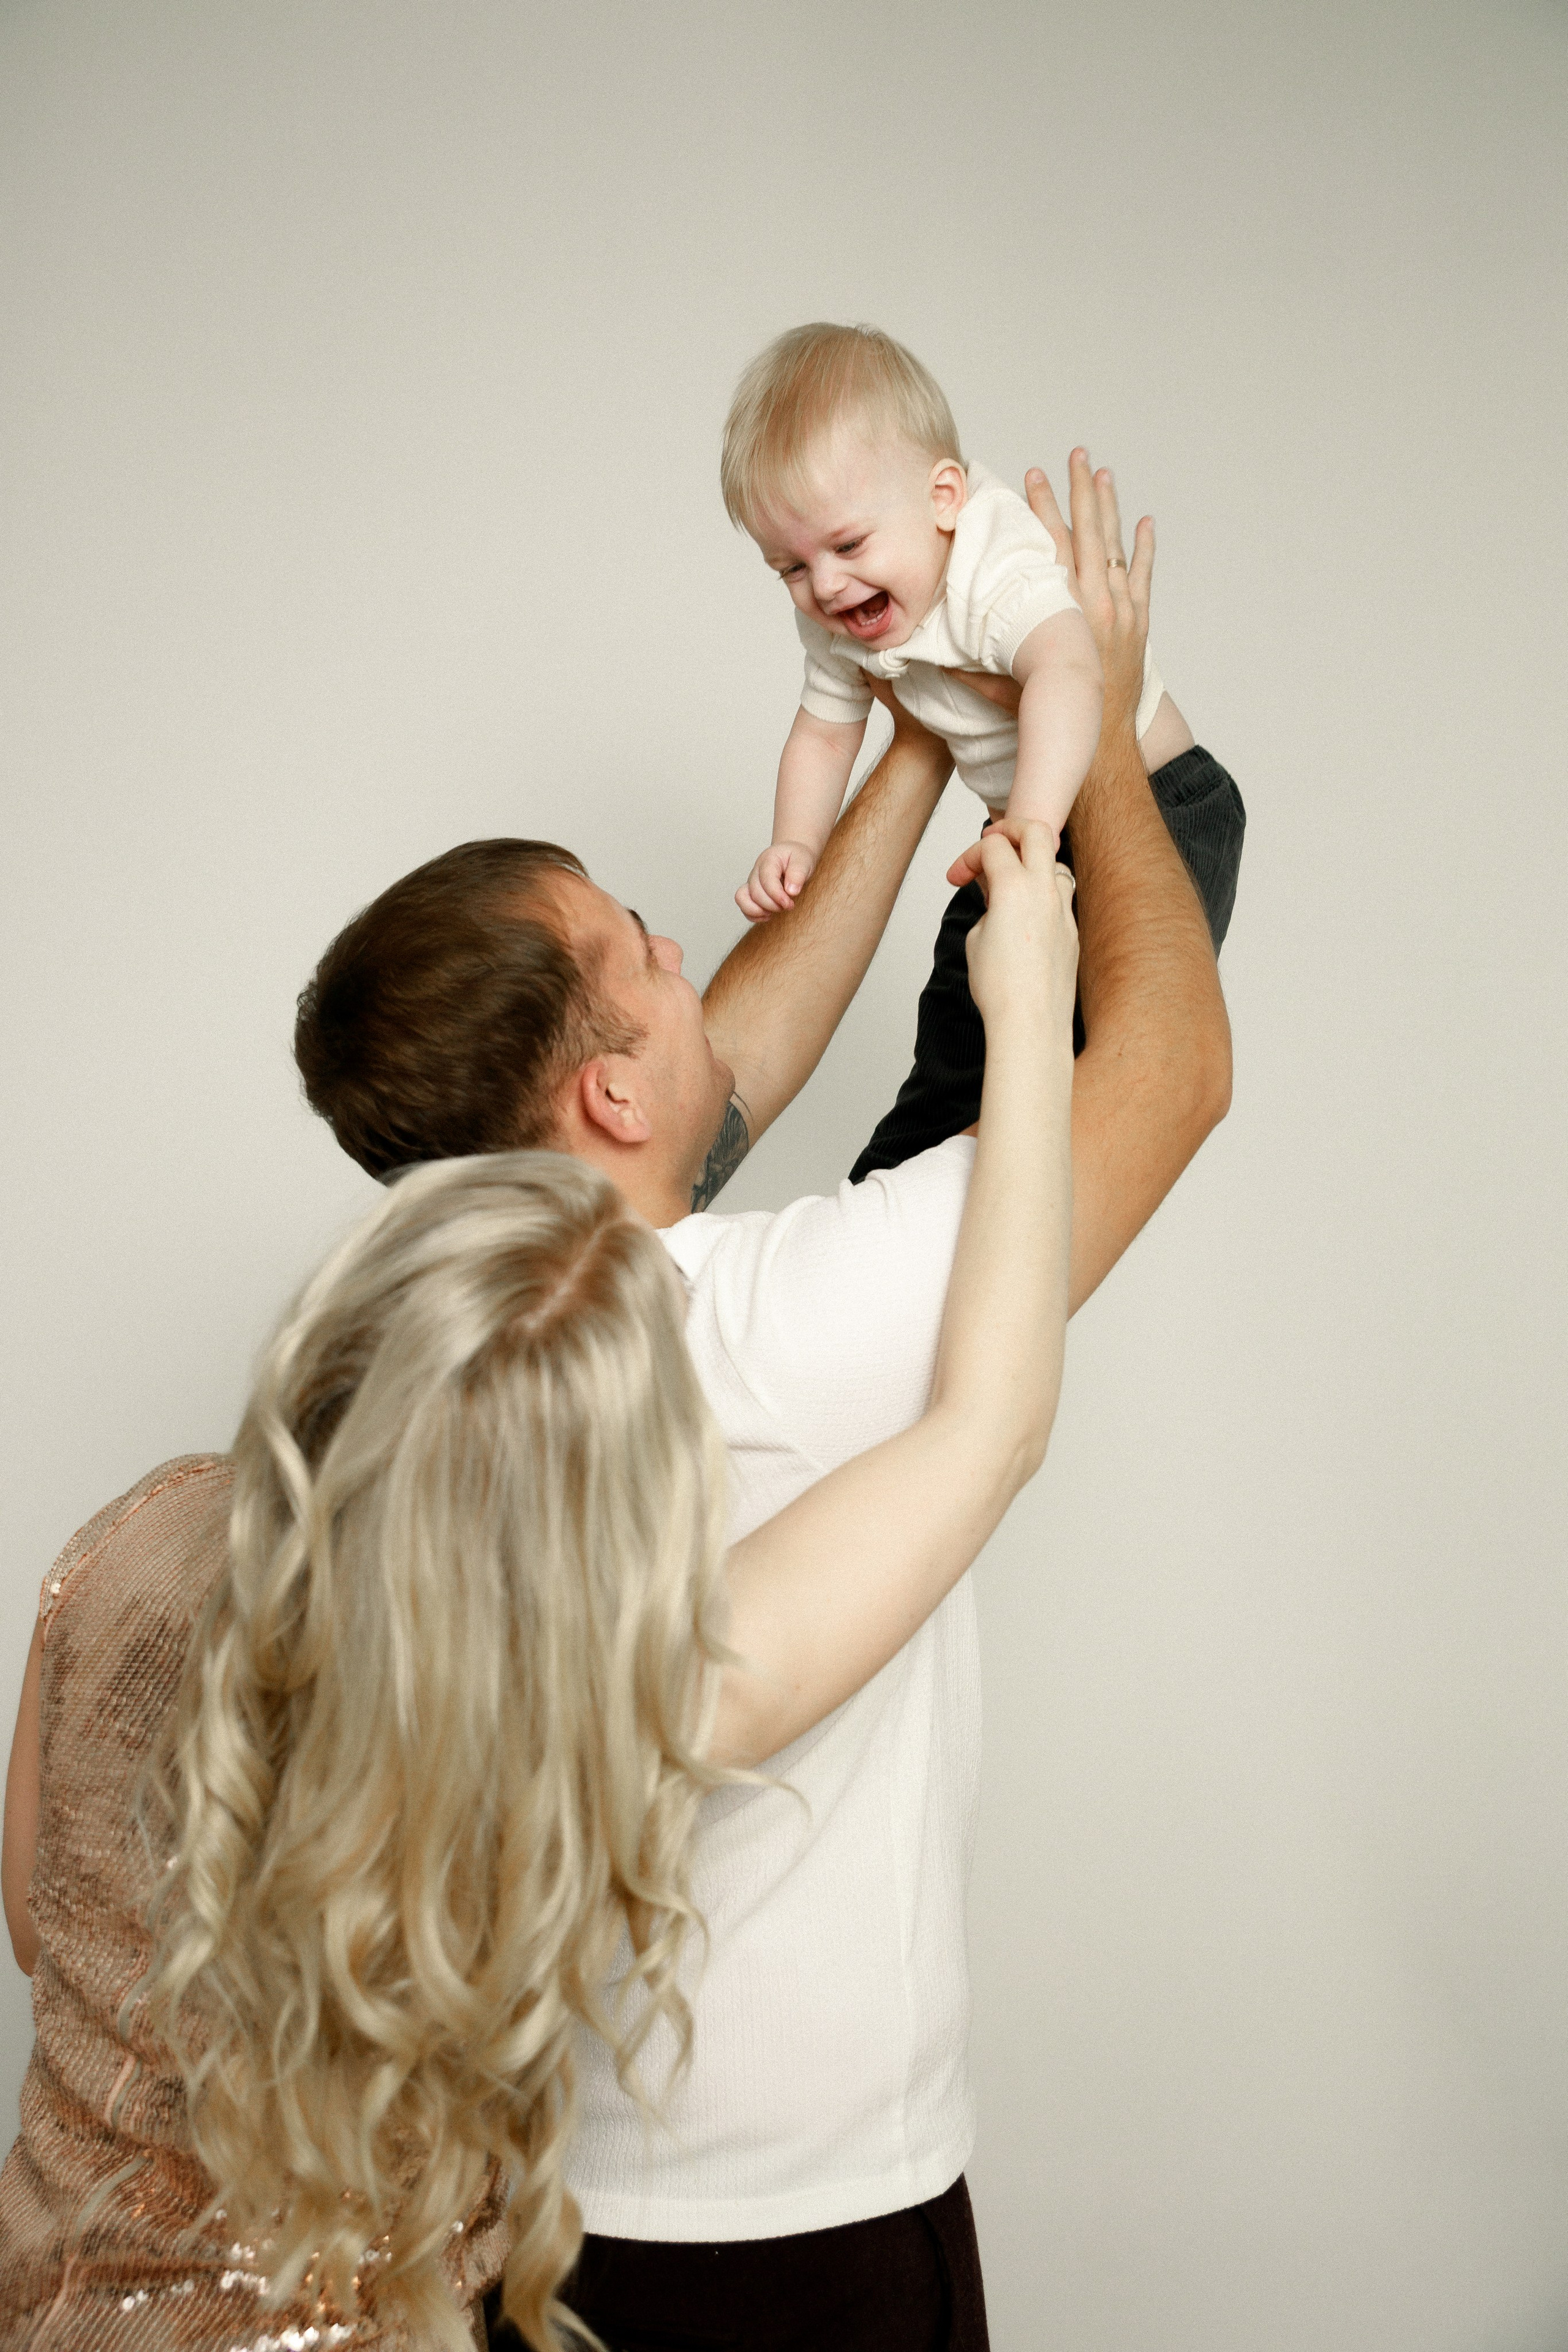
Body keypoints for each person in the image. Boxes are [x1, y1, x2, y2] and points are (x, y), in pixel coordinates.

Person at [287, 453, 1242, 2351]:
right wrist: (1094, 736)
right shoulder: (801, 1326)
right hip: (803, 2252)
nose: (683, 950)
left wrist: (905, 712)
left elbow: (710, 1076)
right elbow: (1171, 1068)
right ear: (609, 1106)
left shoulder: (446, 1364)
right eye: (647, 939)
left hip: (549, 2217)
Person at [0, 822, 1077, 2352]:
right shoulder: (605, 1698)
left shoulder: (133, 1545)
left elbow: (43, 1920)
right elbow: (993, 1423)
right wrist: (1028, 1004)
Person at [726, 323, 1172, 923]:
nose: (827, 586)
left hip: (1160, 794)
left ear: (943, 497)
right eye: (791, 568)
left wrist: (1029, 829)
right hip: (1022, 817)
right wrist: (797, 842)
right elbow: (824, 736)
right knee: (963, 988)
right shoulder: (836, 617)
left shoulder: (992, 565)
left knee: (1109, 995)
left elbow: (1068, 673)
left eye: (850, 544)